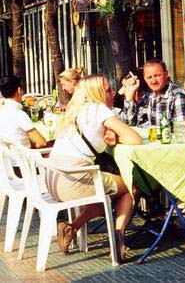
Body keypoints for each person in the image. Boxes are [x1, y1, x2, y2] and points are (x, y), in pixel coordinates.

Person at [47, 74, 142, 263]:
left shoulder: (75, 111)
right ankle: (118, 237)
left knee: (106, 191)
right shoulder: (98, 110)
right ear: (97, 92)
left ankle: (72, 227)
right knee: (132, 185)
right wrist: (117, 137)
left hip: (54, 179)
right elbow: (135, 139)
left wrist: (112, 135)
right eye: (108, 89)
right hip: (74, 180)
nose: (113, 92)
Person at [120, 59, 185, 126]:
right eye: (149, 77)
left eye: (157, 76)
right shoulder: (150, 95)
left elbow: (182, 132)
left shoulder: (177, 95)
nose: (153, 81)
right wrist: (130, 94)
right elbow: (130, 124)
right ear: (145, 78)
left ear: (166, 74)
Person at [0, 76, 47, 148]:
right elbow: (42, 142)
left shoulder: (0, 113)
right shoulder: (19, 114)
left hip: (6, 155)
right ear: (19, 90)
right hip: (23, 157)